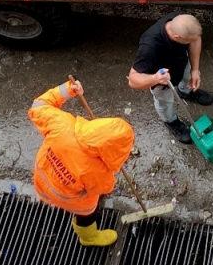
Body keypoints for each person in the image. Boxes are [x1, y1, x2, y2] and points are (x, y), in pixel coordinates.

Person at [28, 79, 134, 247]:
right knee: (88, 211)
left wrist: (68, 89)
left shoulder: (62, 124)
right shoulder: (98, 171)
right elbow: (105, 188)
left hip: (41, 180)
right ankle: (88, 237)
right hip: (69, 197)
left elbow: (38, 105)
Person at [126, 12, 213, 143]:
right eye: (188, 41)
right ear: (177, 37)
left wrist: (195, 70)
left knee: (188, 76)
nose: (193, 41)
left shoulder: (180, 22)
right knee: (165, 102)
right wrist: (155, 78)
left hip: (181, 63)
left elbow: (195, 39)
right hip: (162, 80)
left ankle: (186, 92)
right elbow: (133, 80)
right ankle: (171, 121)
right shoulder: (150, 46)